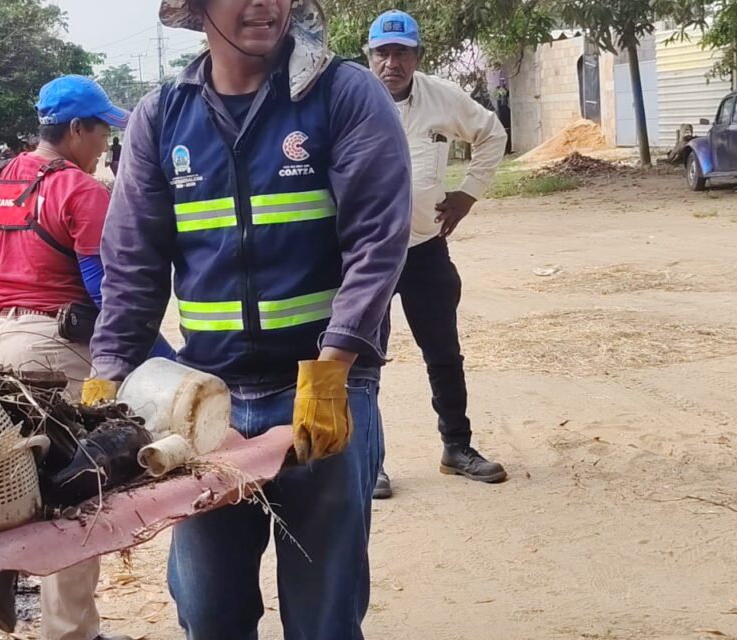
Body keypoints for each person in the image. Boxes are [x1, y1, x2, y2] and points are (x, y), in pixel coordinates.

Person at [83, 0, 412, 637]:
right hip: (207, 402)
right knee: (208, 611)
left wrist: (335, 365)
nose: (264, 3)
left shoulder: (343, 95)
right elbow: (131, 266)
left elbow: (378, 240)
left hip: (321, 389)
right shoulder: (162, 117)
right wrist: (107, 374)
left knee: (324, 617)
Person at [0, 75, 173, 640]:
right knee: (77, 494)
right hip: (56, 351)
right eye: (102, 129)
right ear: (78, 128)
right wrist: (161, 356)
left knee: (2, 482)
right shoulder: (82, 191)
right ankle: (69, 631)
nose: (105, 143)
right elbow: (103, 288)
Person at [366, 10, 509, 499]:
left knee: (443, 352)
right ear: (369, 57)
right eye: (382, 53)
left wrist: (468, 192)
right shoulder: (348, 99)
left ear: (416, 56)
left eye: (401, 52)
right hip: (365, 255)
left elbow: (492, 134)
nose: (392, 62)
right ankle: (369, 464)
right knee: (362, 360)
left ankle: (457, 447)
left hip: (426, 247)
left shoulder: (440, 97)